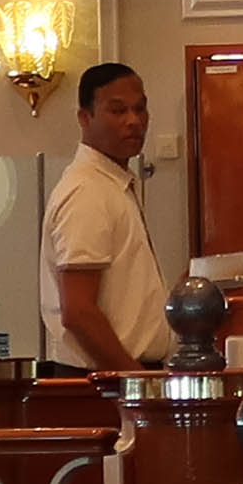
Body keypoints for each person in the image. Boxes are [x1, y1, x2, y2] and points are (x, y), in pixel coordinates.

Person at [47, 58, 176, 367]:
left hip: (124, 375)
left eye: (140, 109)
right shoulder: (87, 191)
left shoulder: (113, 183)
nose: (134, 121)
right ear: (85, 117)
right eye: (118, 111)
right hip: (105, 380)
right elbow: (78, 312)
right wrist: (137, 382)